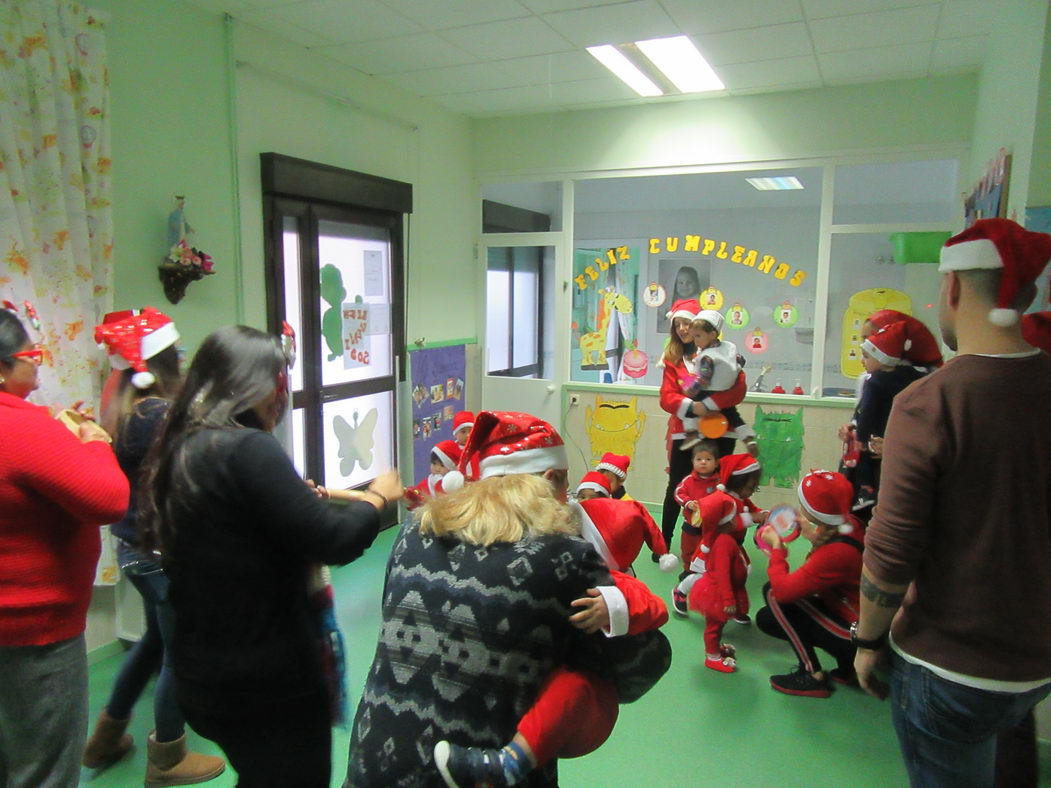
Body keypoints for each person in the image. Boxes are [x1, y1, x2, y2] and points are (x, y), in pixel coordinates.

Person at [346, 410, 671, 787]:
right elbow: (642, 668)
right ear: (550, 479)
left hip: (374, 764)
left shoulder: (412, 532)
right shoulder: (563, 556)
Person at [140, 325, 402, 788]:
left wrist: (282, 501)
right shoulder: (249, 449)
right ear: (243, 384)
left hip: (204, 677)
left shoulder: (184, 445)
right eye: (276, 385)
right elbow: (332, 540)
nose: (282, 400)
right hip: (264, 685)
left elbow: (235, 530)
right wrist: (376, 500)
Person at [854, 219, 1051, 787]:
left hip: (951, 664)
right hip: (1036, 660)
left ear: (955, 290)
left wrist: (868, 641)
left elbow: (892, 552)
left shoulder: (931, 401)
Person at [83, 308, 225, 785]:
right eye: (178, 354)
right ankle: (168, 757)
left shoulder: (124, 409)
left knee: (150, 644)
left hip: (132, 550)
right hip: (162, 556)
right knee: (176, 653)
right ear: (165, 363)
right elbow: (194, 476)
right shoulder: (160, 415)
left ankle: (105, 738)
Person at [0, 307, 130, 788]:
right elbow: (109, 499)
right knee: (43, 767)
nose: (37, 367)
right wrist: (94, 440)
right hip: (34, 634)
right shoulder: (25, 427)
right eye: (31, 356)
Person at [755, 470, 864, 698]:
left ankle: (812, 674)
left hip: (855, 635)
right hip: (859, 621)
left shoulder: (836, 553)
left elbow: (783, 591)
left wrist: (776, 548)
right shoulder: (849, 523)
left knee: (773, 594)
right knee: (767, 618)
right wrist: (813, 537)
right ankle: (847, 667)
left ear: (814, 511)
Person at [658, 298, 747, 559]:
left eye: (688, 323)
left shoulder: (724, 352)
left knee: (719, 486)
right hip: (685, 431)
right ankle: (664, 542)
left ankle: (718, 545)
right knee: (677, 484)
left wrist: (708, 404)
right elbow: (666, 397)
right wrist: (690, 406)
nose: (683, 329)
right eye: (678, 325)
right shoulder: (672, 359)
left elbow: (738, 389)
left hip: (721, 430)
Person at [670, 453, 765, 622]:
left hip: (733, 547)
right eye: (751, 487)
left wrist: (765, 515)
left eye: (754, 488)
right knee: (704, 576)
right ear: (737, 483)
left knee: (737, 575)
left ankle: (734, 606)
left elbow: (754, 510)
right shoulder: (723, 500)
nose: (752, 492)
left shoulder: (741, 499)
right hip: (715, 547)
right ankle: (681, 591)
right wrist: (752, 518)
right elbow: (725, 524)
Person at [848, 321, 926, 513]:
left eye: (866, 356)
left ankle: (865, 491)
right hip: (901, 441)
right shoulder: (913, 377)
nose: (862, 361)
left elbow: (865, 413)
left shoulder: (874, 382)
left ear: (882, 359)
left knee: (861, 458)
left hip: (876, 437)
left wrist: (860, 438)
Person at [679, 310, 755, 453]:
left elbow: (704, 379)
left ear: (712, 335)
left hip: (709, 392)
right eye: (694, 337)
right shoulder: (728, 347)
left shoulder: (707, 356)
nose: (695, 340)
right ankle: (748, 437)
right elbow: (741, 360)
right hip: (725, 390)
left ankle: (691, 433)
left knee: (691, 407)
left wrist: (691, 390)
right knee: (733, 415)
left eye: (698, 336)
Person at [672, 440, 721, 564]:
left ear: (716, 463)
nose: (703, 462)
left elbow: (725, 499)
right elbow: (678, 492)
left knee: (709, 549)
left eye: (708, 459)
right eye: (699, 459)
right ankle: (688, 569)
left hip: (711, 525)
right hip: (690, 523)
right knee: (688, 549)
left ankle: (706, 571)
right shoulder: (688, 480)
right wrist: (688, 503)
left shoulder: (719, 482)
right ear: (693, 462)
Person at [404, 439, 461, 509]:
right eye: (434, 464)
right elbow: (418, 494)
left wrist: (438, 483)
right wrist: (410, 495)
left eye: (442, 465)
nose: (437, 469)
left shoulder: (455, 484)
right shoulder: (428, 481)